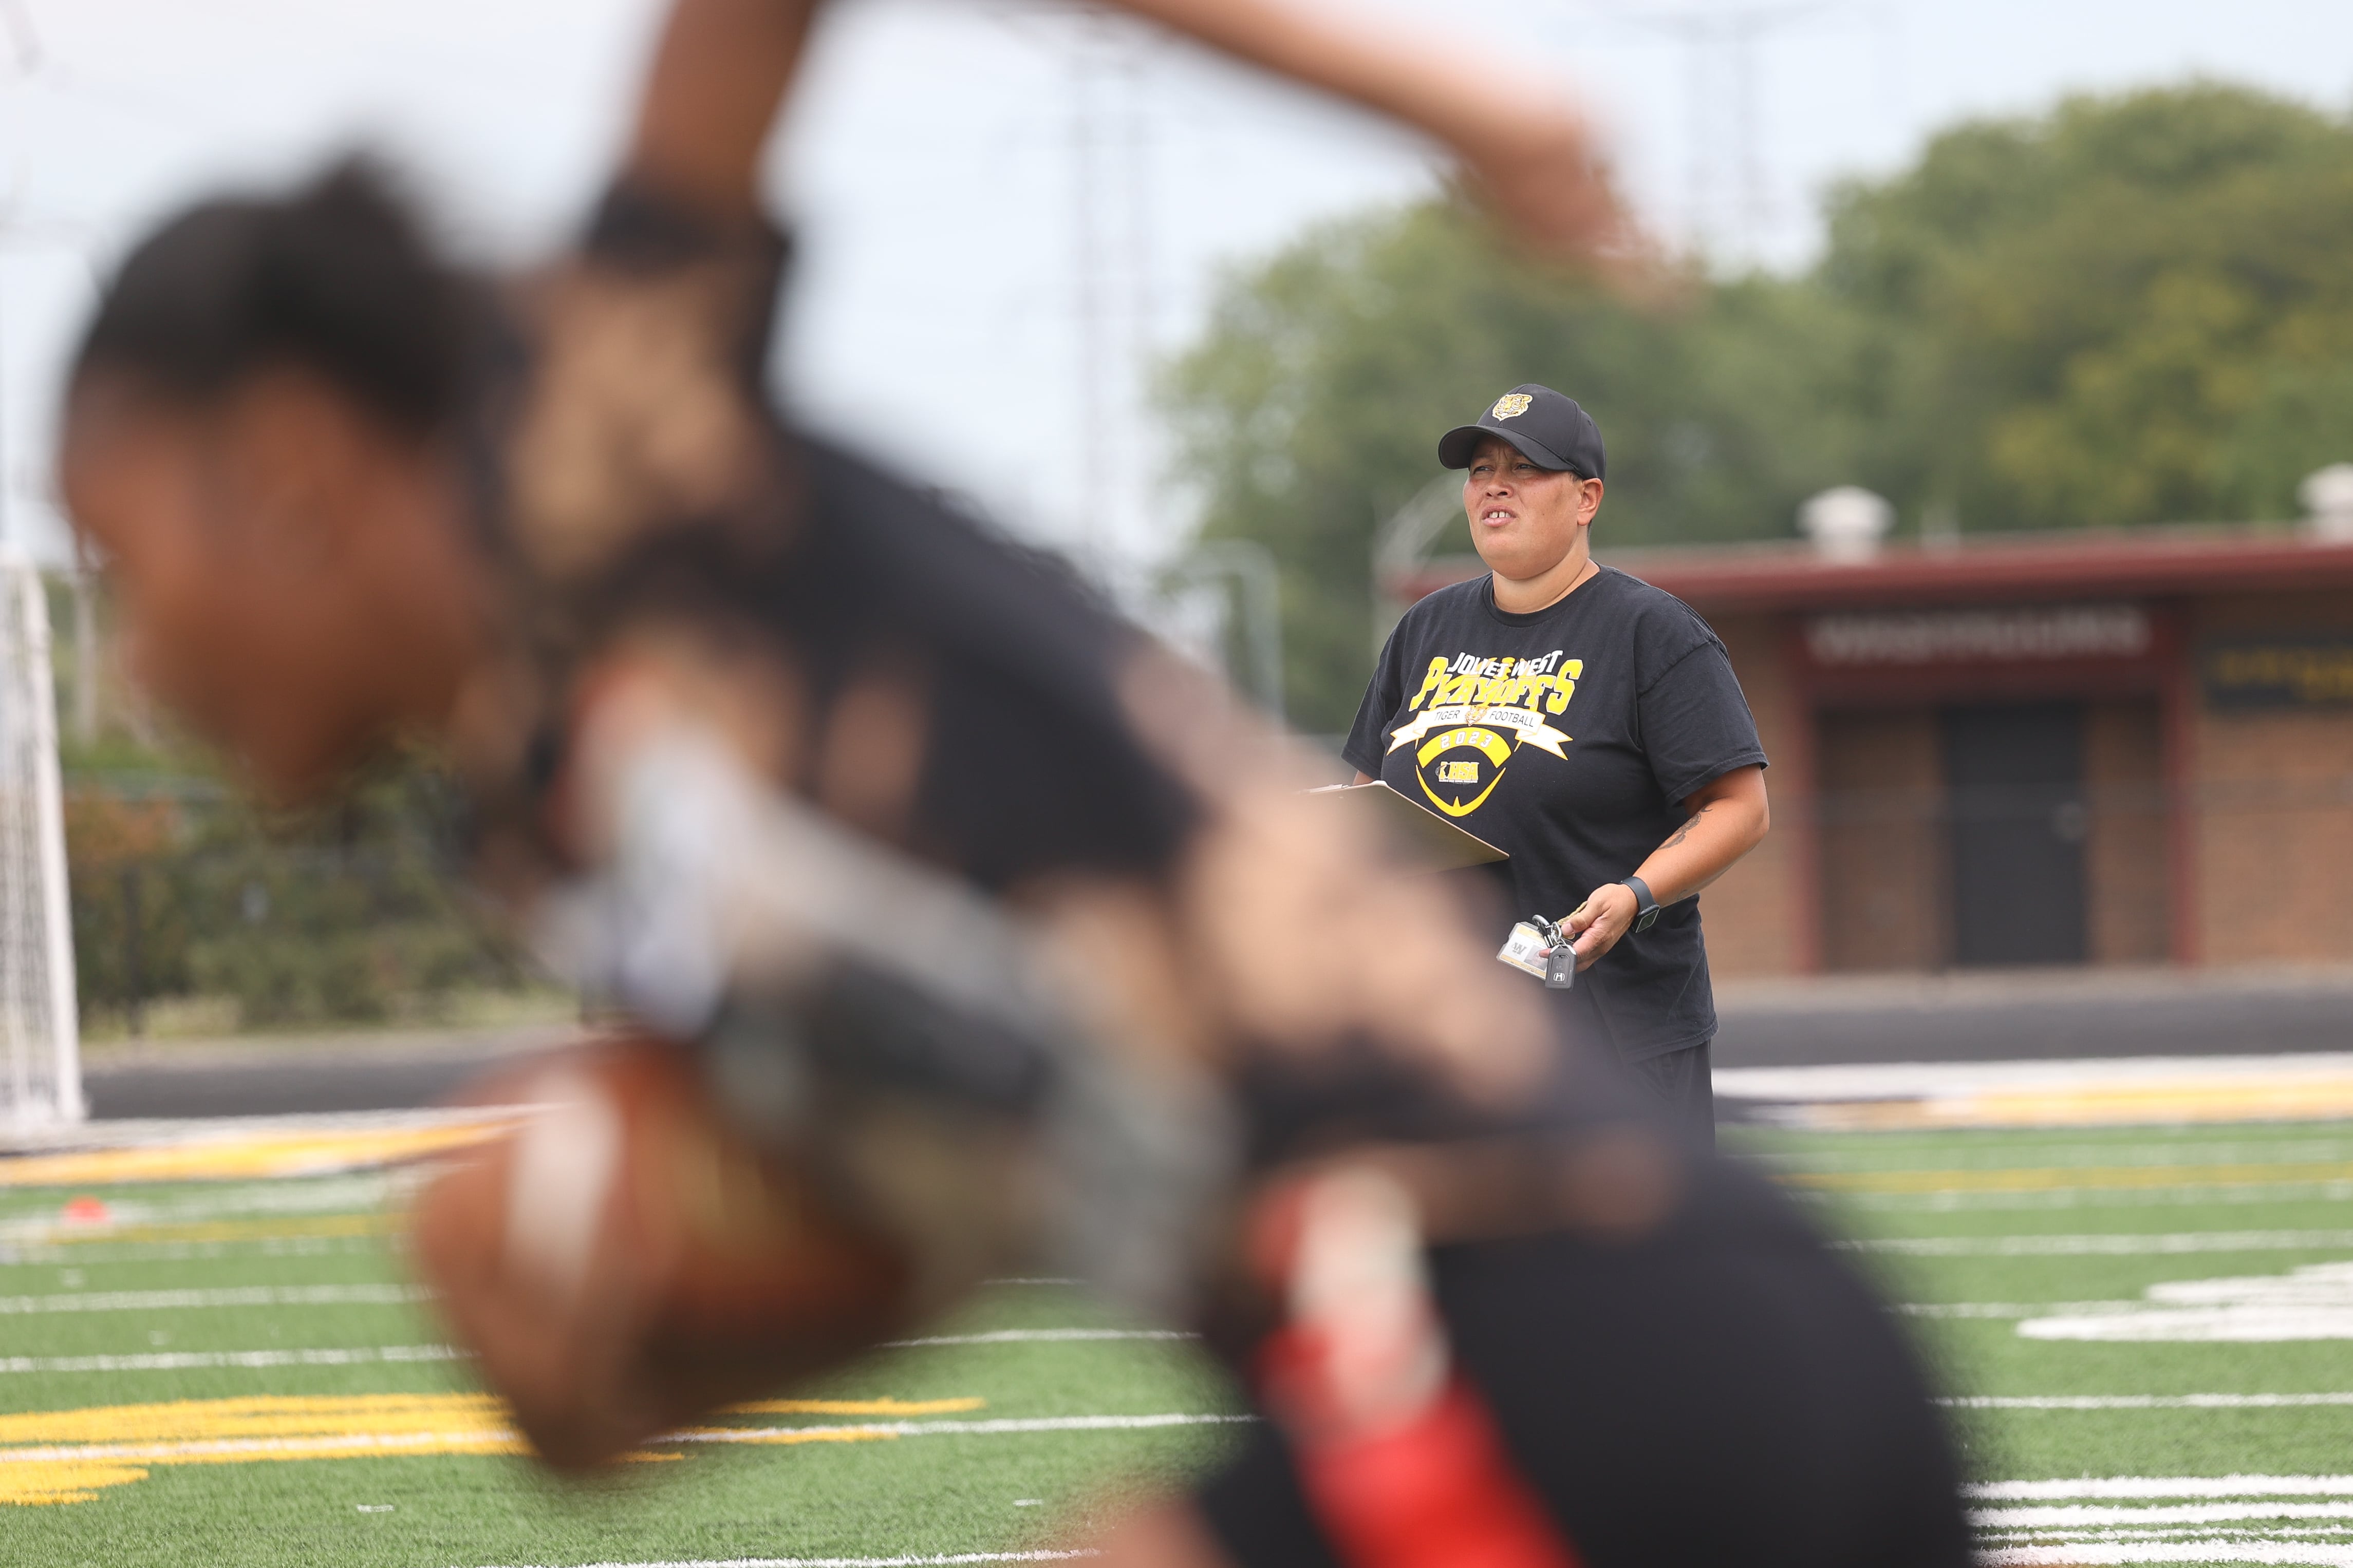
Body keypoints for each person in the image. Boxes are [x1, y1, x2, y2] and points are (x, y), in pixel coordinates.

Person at [56, 3, 1967, 1565]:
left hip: (1535, 1329)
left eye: (127, 561)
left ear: (294, 458)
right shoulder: (536, 801)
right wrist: (684, 1307)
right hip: (1681, 1323)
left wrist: (1438, 93)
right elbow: (1031, 1153)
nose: (133, 669)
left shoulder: (572, 445)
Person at [1347, 386, 1767, 1140]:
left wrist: (1636, 894)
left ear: (1586, 498)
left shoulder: (1653, 632)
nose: (1495, 485)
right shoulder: (1424, 629)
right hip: (1452, 1032)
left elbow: (1740, 806)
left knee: (1633, 1259)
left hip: (1612, 1037)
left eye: (1525, 467)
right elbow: (1365, 798)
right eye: (1481, 469)